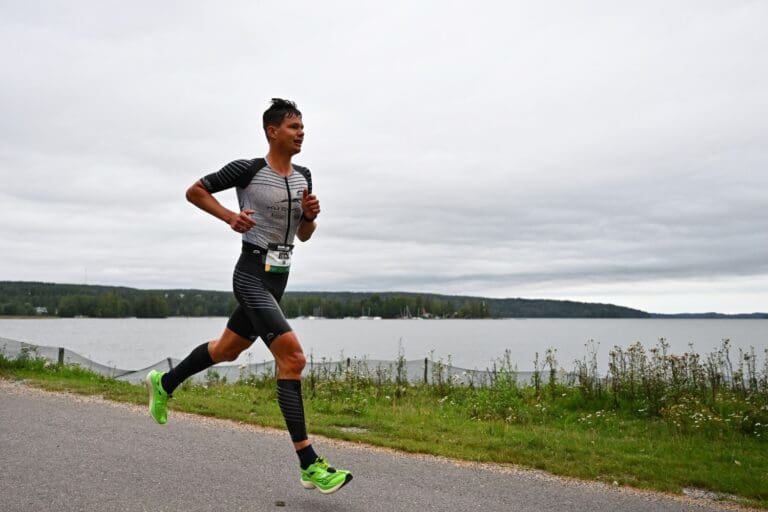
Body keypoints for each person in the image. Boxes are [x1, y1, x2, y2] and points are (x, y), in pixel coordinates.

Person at [145, 98, 352, 494]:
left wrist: (310, 216)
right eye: (294, 127)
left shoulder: (304, 175)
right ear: (272, 131)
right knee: (293, 359)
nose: (301, 132)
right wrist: (230, 217)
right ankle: (309, 464)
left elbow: (304, 236)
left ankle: (164, 382)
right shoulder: (249, 170)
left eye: (303, 127)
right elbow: (194, 191)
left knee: (226, 351)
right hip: (251, 274)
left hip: (279, 277)